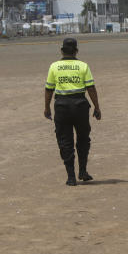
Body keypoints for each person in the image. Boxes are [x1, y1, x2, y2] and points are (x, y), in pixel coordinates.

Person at [44, 37, 101, 186]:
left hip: (62, 107)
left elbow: (49, 89)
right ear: (76, 51)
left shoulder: (54, 67)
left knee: (65, 141)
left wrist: (46, 108)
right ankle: (82, 171)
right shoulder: (83, 66)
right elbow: (91, 88)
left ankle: (70, 177)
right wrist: (97, 107)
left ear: (62, 51)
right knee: (83, 139)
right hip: (80, 106)